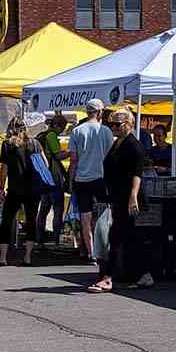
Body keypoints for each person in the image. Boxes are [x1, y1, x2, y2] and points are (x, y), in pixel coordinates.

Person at [89, 111, 153, 292]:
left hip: (128, 197)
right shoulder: (117, 143)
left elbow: (137, 173)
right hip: (117, 196)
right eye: (112, 124)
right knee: (130, 237)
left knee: (116, 235)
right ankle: (144, 274)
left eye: (117, 124)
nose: (114, 127)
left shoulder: (134, 146)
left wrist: (133, 196)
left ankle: (108, 278)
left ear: (129, 124)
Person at [0, 119, 43, 267]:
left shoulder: (8, 144)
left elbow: (4, 168)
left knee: (7, 220)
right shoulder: (35, 143)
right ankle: (27, 257)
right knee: (31, 221)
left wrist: (1, 187)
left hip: (14, 188)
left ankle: (3, 257)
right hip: (33, 189)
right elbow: (44, 163)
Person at [68, 99, 113, 260]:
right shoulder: (106, 131)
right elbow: (110, 157)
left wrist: (71, 180)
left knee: (85, 217)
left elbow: (73, 160)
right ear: (100, 112)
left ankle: (90, 251)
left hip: (82, 179)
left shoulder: (77, 131)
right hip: (101, 178)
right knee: (103, 216)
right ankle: (103, 250)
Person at [37, 112, 69, 246]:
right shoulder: (51, 136)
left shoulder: (41, 136)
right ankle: (56, 240)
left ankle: (39, 239)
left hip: (43, 177)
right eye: (62, 128)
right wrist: (71, 152)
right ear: (56, 125)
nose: (62, 131)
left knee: (43, 209)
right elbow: (58, 156)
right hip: (54, 177)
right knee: (58, 209)